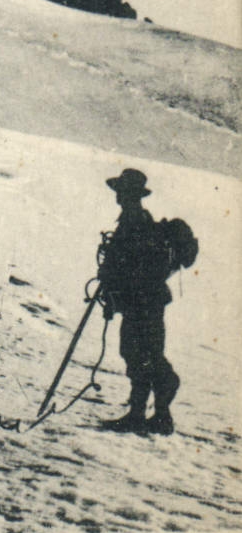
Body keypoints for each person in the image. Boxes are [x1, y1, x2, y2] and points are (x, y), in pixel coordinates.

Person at [96, 168, 180, 435]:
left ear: (130, 194)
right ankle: (146, 415)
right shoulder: (133, 220)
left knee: (144, 355)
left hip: (144, 303)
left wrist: (113, 280)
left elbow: (134, 267)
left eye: (122, 191)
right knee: (139, 354)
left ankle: (153, 415)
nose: (118, 196)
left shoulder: (136, 222)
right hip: (144, 303)